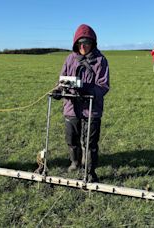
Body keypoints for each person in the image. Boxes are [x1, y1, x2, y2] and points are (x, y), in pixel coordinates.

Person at [53, 24, 110, 183]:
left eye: (87, 43)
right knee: (72, 138)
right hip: (71, 108)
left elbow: (104, 86)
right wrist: (59, 90)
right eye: (80, 43)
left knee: (90, 142)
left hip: (91, 109)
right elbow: (62, 80)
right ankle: (75, 161)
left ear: (93, 43)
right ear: (76, 44)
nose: (83, 46)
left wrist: (87, 90)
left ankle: (90, 170)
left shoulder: (100, 60)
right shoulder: (70, 59)